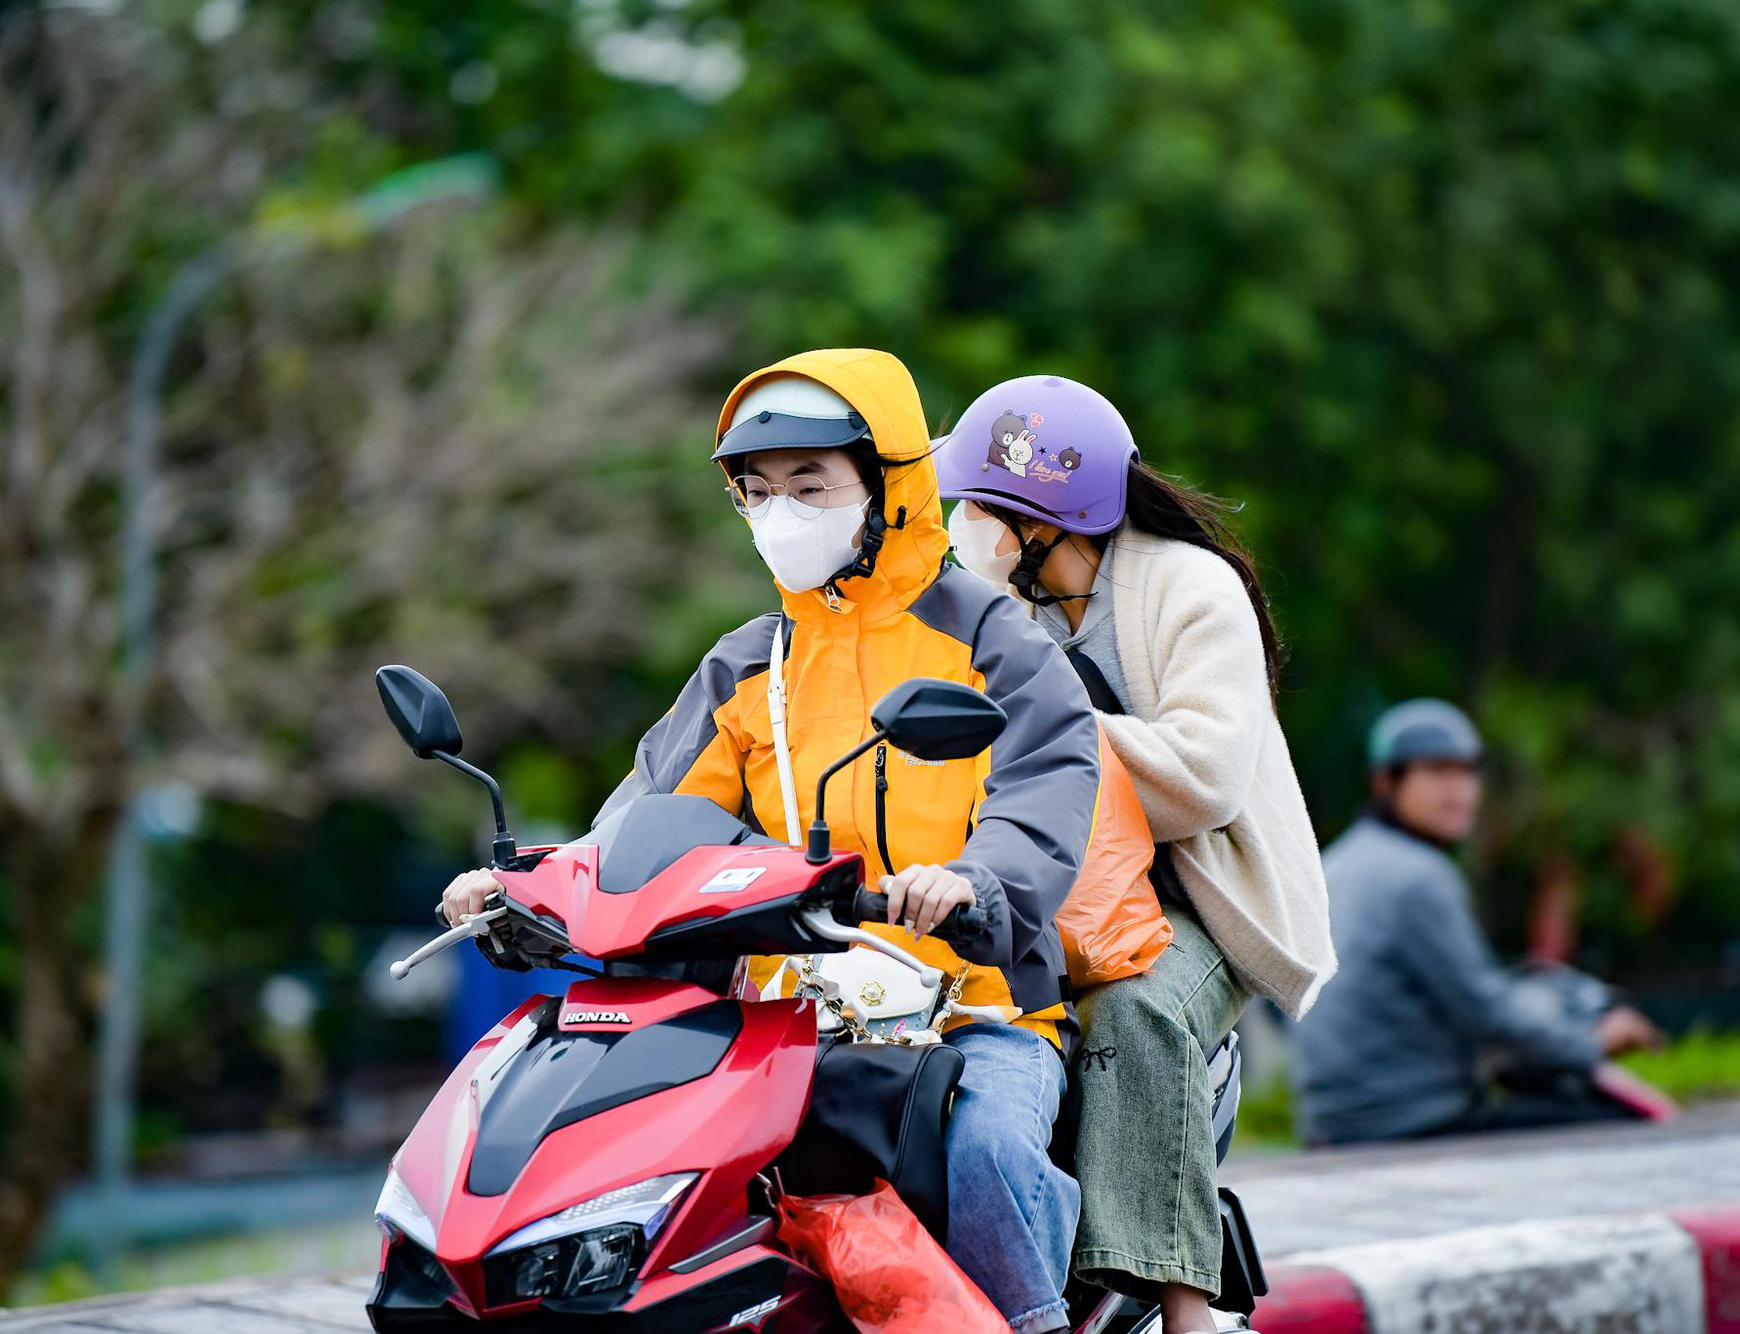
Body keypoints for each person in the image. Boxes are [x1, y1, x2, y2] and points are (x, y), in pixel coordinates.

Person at [444, 350, 1099, 1334]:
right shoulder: (750, 662)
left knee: (988, 1147)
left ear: (885, 485)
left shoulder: (992, 639)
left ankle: (1033, 1320)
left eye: (808, 485)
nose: (779, 512)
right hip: (787, 1016)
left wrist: (971, 884)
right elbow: (640, 814)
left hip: (975, 1004)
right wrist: (522, 881)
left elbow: (1043, 780)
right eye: (756, 492)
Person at [935, 375, 1335, 1334]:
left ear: (1045, 518)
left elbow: (1206, 776)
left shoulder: (1192, 589)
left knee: (1136, 1007)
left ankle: (1182, 1308)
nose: (965, 524)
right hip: (1049, 882)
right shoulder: (993, 603)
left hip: (1197, 892)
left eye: (984, 506)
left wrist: (1056, 736)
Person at [1290, 698, 1663, 1145]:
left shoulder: (1337, 863)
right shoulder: (1417, 876)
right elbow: (1485, 1011)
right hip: (1407, 1122)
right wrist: (1591, 1044)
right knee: (1617, 1129)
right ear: (1387, 781)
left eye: (1468, 771)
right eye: (1438, 771)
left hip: (1332, 1122)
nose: (1460, 790)